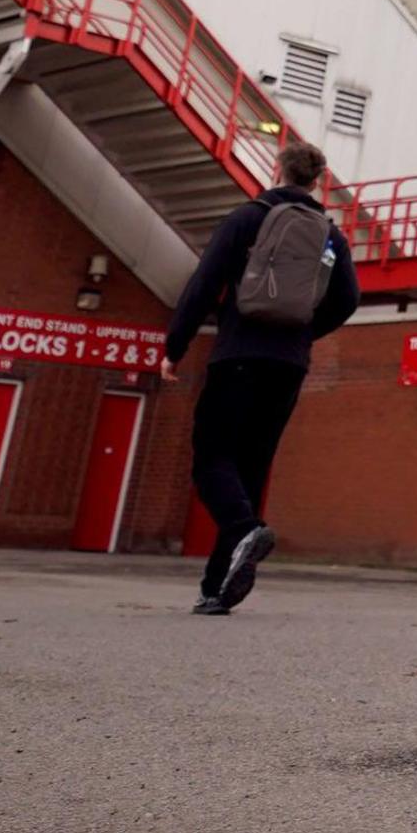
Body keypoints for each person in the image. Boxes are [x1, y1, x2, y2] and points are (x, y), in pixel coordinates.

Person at [163, 139, 357, 614]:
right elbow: (347, 299)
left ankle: (246, 532)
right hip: (288, 364)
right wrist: (304, 334)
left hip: (238, 356)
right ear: (317, 181)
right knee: (249, 470)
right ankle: (216, 589)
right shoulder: (331, 236)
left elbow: (203, 284)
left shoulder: (247, 218)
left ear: (277, 170)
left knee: (211, 459)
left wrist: (175, 347)